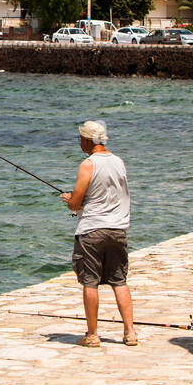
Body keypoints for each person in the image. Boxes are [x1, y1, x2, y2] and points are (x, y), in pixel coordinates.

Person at [60, 120, 136, 347]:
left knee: (90, 282)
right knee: (119, 281)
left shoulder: (87, 164)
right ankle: (130, 332)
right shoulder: (119, 162)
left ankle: (92, 335)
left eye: (80, 138)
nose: (79, 142)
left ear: (87, 140)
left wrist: (69, 199)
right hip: (118, 229)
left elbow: (76, 203)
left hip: (92, 230)